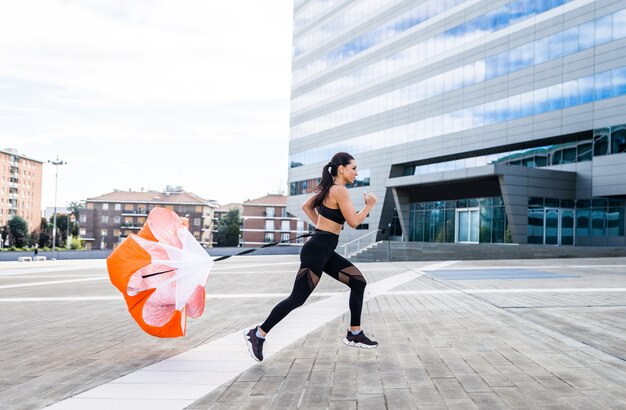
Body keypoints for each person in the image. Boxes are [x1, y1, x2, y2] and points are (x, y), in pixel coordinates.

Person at [244, 152, 378, 362]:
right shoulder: (340, 190)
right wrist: (369, 206)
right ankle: (258, 334)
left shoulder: (328, 190)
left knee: (358, 283)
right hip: (317, 250)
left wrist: (321, 227)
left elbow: (306, 206)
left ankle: (354, 333)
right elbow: (353, 222)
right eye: (354, 168)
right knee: (297, 298)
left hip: (323, 249)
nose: (357, 172)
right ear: (341, 168)